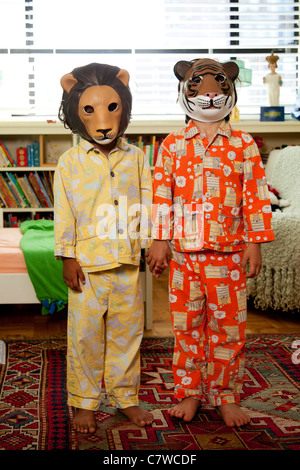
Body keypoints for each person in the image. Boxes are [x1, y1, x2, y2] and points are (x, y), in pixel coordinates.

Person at [146, 58, 275, 428]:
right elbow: (161, 195)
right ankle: (190, 392)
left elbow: (256, 195)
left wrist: (255, 242)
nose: (209, 96)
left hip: (230, 255)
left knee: (228, 329)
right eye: (200, 90)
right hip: (185, 257)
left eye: (217, 90)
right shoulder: (172, 145)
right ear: (185, 92)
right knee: (187, 328)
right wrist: (160, 239)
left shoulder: (244, 144)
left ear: (229, 92)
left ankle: (225, 395)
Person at [54, 63, 153, 433]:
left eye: (111, 108)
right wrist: (67, 256)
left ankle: (125, 398)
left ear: (124, 106)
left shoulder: (137, 158)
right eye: (90, 110)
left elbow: (146, 203)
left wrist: (152, 244)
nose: (104, 119)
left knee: (128, 336)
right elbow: (64, 213)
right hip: (87, 268)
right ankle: (84, 402)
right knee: (84, 338)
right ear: (76, 111)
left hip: (128, 264)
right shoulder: (68, 163)